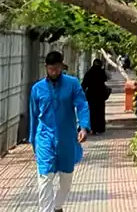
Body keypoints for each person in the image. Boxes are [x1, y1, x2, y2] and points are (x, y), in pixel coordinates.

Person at [30, 51, 90, 212]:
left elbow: (82, 105)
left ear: (62, 67)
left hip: (66, 138)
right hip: (44, 138)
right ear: (46, 68)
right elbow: (34, 116)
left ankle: (57, 206)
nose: (53, 72)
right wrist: (33, 141)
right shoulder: (37, 89)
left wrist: (83, 127)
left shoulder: (72, 84)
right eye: (50, 69)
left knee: (66, 179)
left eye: (56, 69)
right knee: (45, 177)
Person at [81, 59, 110, 135]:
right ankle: (99, 128)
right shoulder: (101, 72)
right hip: (100, 96)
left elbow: (84, 84)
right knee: (99, 112)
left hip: (91, 96)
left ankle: (92, 128)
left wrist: (82, 93)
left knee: (92, 112)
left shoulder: (89, 73)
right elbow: (105, 79)